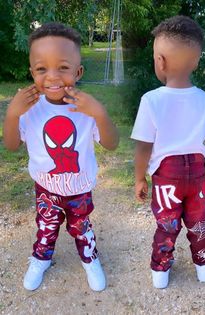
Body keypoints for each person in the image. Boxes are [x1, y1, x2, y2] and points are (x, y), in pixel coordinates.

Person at [3, 22, 119, 292]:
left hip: (79, 188)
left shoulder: (85, 108)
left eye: (63, 67)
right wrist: (11, 114)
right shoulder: (29, 109)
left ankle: (89, 258)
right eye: (42, 69)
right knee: (46, 228)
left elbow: (112, 144)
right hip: (46, 189)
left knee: (82, 227)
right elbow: (11, 146)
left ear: (78, 71)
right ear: (32, 72)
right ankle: (41, 258)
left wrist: (100, 113)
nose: (53, 77)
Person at [131, 15, 205, 289]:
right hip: (196, 174)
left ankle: (160, 273)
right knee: (198, 223)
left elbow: (143, 146)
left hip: (165, 177)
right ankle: (204, 267)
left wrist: (139, 178)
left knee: (167, 225)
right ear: (196, 61)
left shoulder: (151, 100)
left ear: (160, 61)